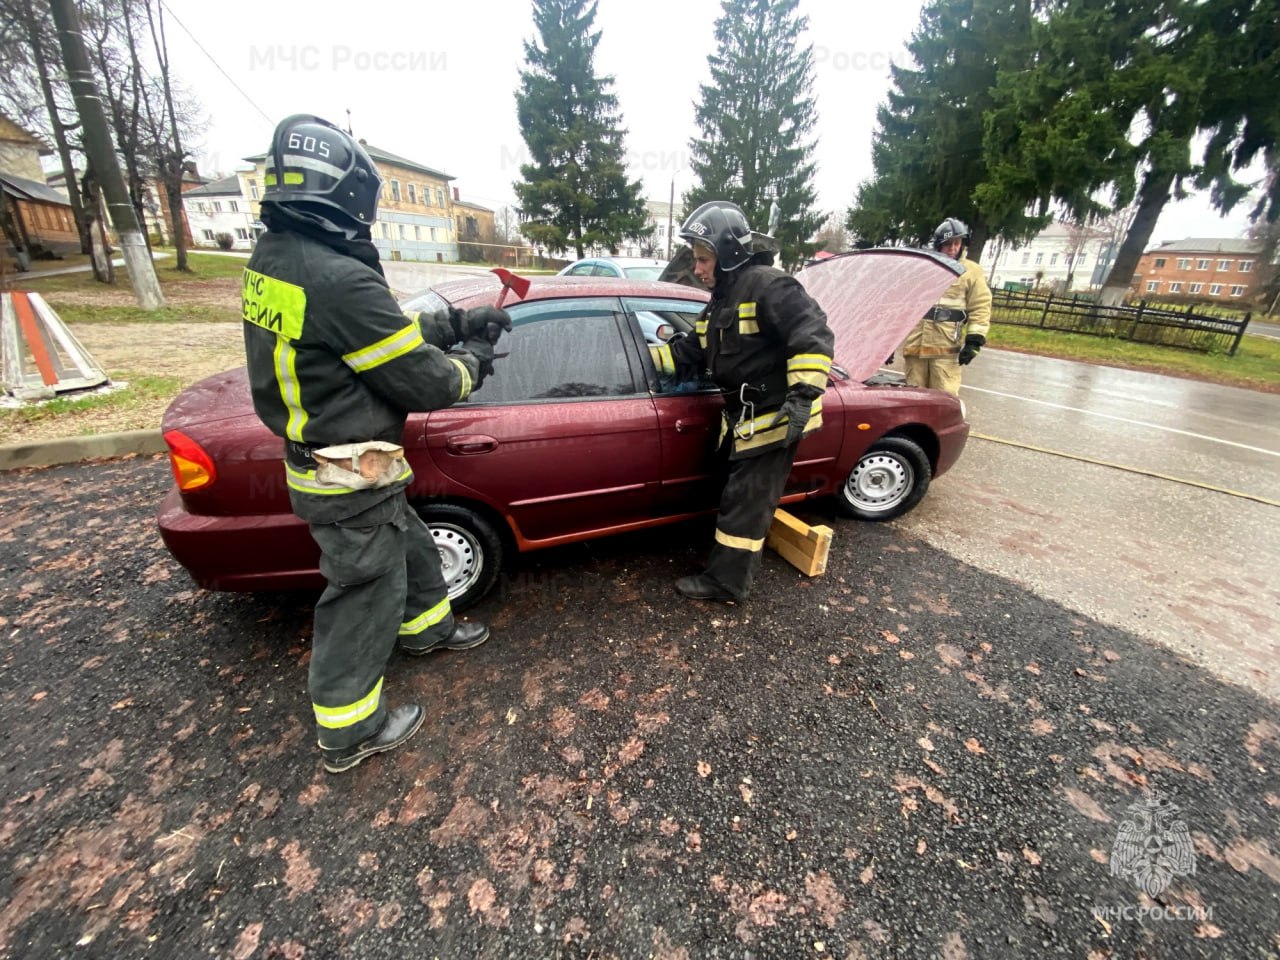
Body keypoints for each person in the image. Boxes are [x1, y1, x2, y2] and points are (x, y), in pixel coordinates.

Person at [242, 114, 511, 774]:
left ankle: (429, 630)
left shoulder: (279, 259)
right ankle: (350, 727)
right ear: (345, 196)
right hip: (346, 472)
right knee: (363, 593)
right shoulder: (336, 278)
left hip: (342, 463)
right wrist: (472, 355)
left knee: (410, 543)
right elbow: (422, 379)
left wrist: (452, 319)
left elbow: (366, 332)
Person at [652, 200, 835, 602]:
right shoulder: (719, 301)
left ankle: (727, 583)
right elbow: (689, 354)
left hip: (778, 413)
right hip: (745, 416)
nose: (697, 268)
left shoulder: (769, 285)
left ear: (728, 253)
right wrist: (639, 362)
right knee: (734, 491)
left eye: (703, 259)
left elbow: (813, 335)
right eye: (696, 259)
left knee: (746, 502)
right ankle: (726, 568)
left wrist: (803, 396)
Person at [901, 217, 992, 396]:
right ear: (938, 245)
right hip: (915, 347)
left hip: (945, 349)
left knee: (944, 399)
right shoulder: (924, 268)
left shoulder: (970, 271)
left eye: (957, 244)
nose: (952, 249)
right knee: (913, 399)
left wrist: (974, 340)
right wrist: (887, 345)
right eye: (948, 244)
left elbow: (981, 306)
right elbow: (903, 306)